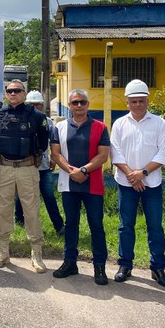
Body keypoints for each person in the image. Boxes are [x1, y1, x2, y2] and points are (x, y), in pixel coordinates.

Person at [110, 79, 165, 287]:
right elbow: (115, 153)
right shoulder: (119, 124)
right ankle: (125, 265)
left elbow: (164, 152)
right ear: (127, 102)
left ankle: (158, 268)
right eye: (133, 101)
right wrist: (131, 175)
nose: (137, 104)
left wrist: (142, 173)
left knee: (155, 226)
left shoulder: (159, 123)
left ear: (148, 101)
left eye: (141, 101)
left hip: (151, 183)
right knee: (126, 226)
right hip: (126, 184)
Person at [0, 79, 51, 273]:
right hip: (5, 167)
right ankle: (3, 252)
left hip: (27, 168)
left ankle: (36, 254)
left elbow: (43, 141)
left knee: (31, 210)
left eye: (17, 90)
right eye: (9, 90)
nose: (13, 93)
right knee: (2, 209)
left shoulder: (36, 116)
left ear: (24, 94)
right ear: (6, 94)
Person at [50, 89, 111, 285]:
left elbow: (103, 155)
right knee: (71, 225)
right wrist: (71, 171)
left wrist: (83, 171)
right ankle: (70, 263)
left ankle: (99, 267)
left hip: (93, 185)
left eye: (82, 102)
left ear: (88, 104)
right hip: (69, 184)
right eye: (74, 102)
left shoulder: (100, 127)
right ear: (69, 105)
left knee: (96, 227)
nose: (78, 106)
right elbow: (56, 153)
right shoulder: (59, 127)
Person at [14, 90, 64, 237]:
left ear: (42, 105)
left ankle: (59, 226)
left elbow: (55, 143)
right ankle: (19, 222)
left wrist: (54, 159)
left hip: (42, 168)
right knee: (21, 197)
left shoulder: (46, 121)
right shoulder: (19, 120)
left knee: (48, 197)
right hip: (24, 166)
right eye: (31, 104)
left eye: (37, 105)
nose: (35, 107)